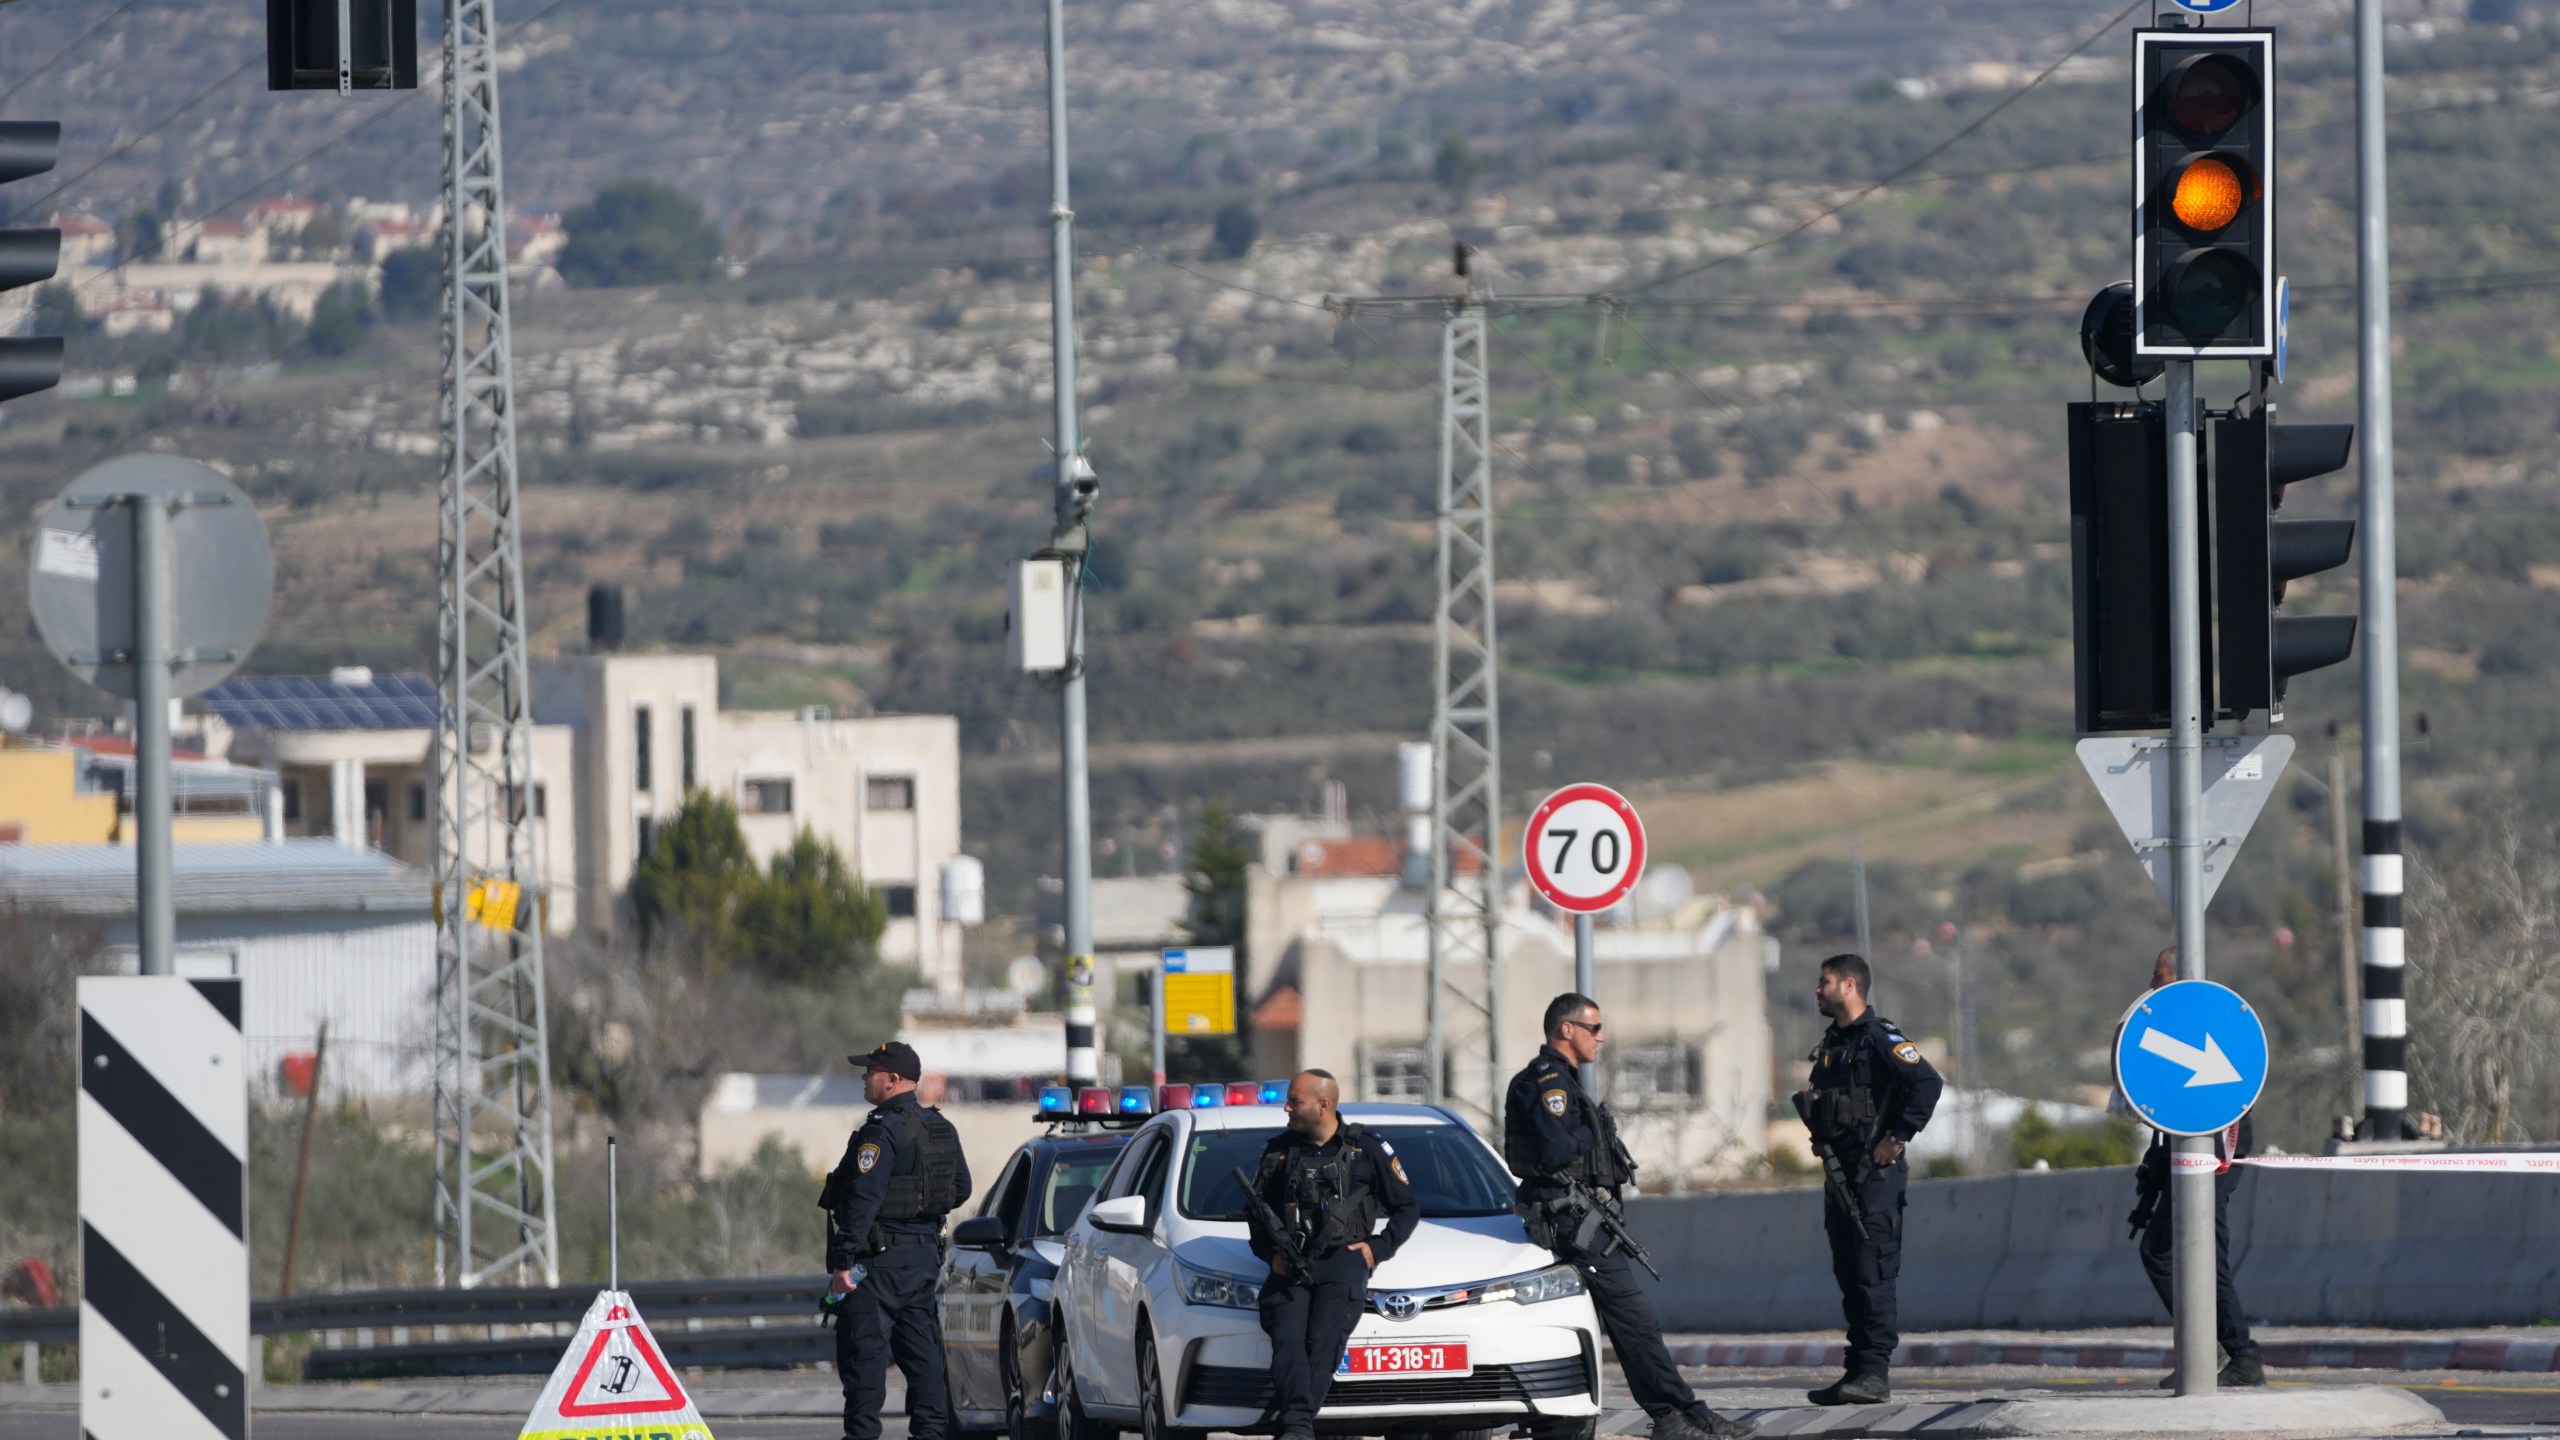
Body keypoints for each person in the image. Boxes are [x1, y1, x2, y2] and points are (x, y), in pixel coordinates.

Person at [1505, 994, 1753, 1440]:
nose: (1601, 1037)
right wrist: (1593, 1129)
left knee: (1631, 1325)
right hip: (1571, 1223)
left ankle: (1673, 1417)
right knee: (1636, 1324)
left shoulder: (1562, 1080)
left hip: (1582, 1218)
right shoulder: (1549, 1084)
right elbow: (1556, 1150)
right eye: (1593, 1028)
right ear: (1567, 1030)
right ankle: (1685, 1413)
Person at [1796, 953, 1941, 1406]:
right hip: (1840, 1177)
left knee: (1873, 1272)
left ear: (1850, 986)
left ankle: (1875, 1372)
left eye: (1825, 982)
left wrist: (1896, 1139)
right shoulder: (1831, 1047)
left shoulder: (1880, 1039)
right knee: (1850, 1273)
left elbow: (1927, 1084)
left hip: (1874, 1176)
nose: (1817, 991)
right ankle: (1857, 1371)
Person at [1243, 1069, 1420, 1440]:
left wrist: (1377, 1249)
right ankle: (1299, 1426)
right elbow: (1256, 1214)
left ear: (1323, 1105)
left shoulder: (1368, 1149)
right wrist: (1270, 1254)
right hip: (1291, 1262)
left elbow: (1407, 1207)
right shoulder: (1279, 1151)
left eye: (1295, 1101)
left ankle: (1295, 1427)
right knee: (1287, 1338)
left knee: (1324, 1344)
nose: (1287, 1107)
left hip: (1343, 1261)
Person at [2124, 947, 2265, 1387]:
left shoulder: (2207, 1018)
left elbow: (2224, 1091)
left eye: (2159, 975)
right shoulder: (2175, 1025)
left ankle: (2236, 1354)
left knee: (2191, 1254)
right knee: (2169, 1252)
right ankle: (2208, 1353)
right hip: (2185, 1146)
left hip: (2217, 1145)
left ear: (2182, 977)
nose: (2152, 986)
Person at [821, 1041, 973, 1440]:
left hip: (876, 1264)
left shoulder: (880, 1132)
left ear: (892, 1080)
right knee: (923, 1357)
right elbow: (961, 1189)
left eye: (870, 1072)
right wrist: (919, 1209)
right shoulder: (941, 1127)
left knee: (864, 1360)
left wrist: (842, 1262)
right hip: (922, 1261)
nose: (863, 1078)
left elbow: (861, 1202)